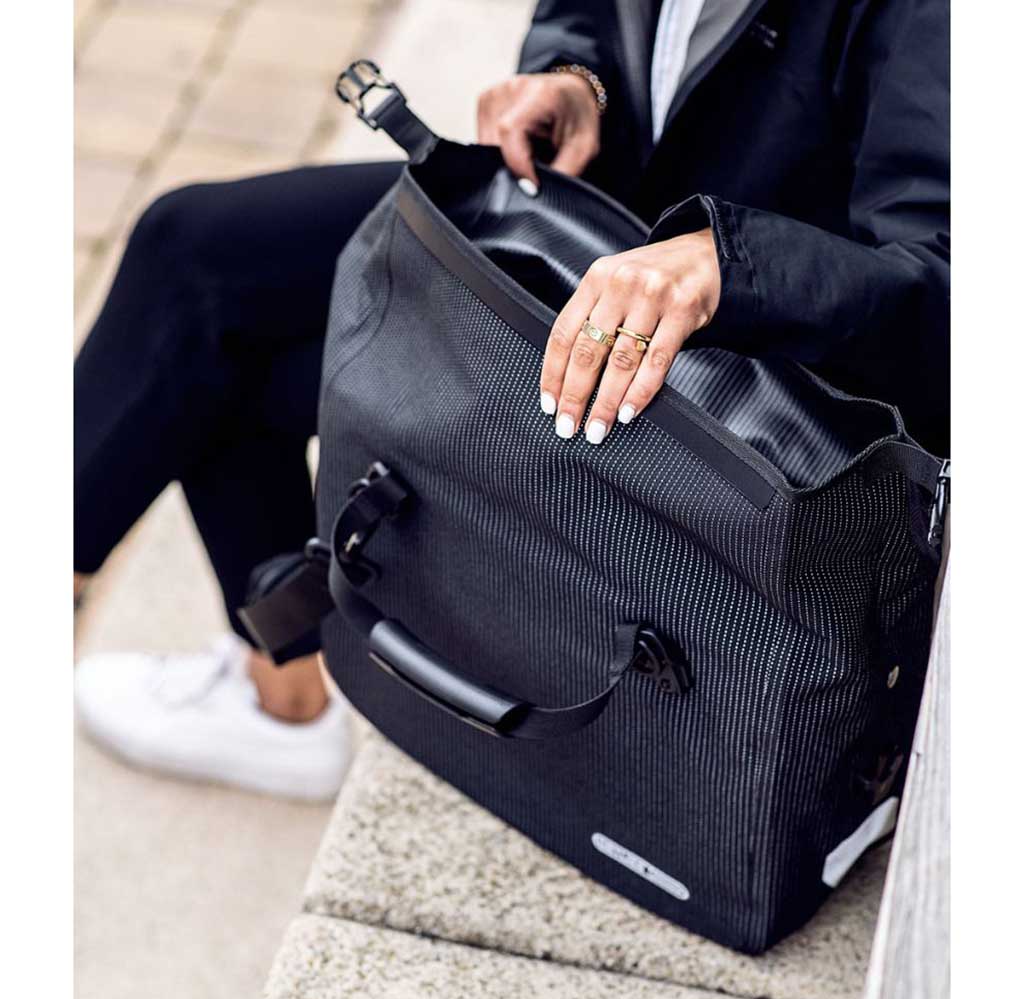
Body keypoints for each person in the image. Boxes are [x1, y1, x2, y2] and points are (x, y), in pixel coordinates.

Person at [74, 0, 950, 800]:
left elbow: (947, 285)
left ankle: (282, 698)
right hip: (593, 233)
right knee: (194, 260)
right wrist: (577, 79)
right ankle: (280, 689)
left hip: (737, 371)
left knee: (221, 360)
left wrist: (727, 265)